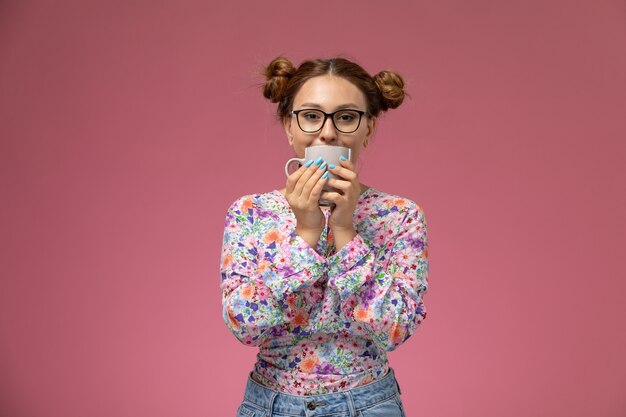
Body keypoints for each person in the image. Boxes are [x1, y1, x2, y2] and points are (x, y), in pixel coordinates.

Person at [219, 56, 429, 417]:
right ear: (289, 126)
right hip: (270, 405)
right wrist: (305, 232)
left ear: (369, 128)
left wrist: (346, 229)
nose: (328, 132)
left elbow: (395, 330)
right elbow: (246, 327)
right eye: (312, 116)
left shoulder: (400, 215)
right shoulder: (250, 214)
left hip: (369, 404)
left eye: (346, 117)